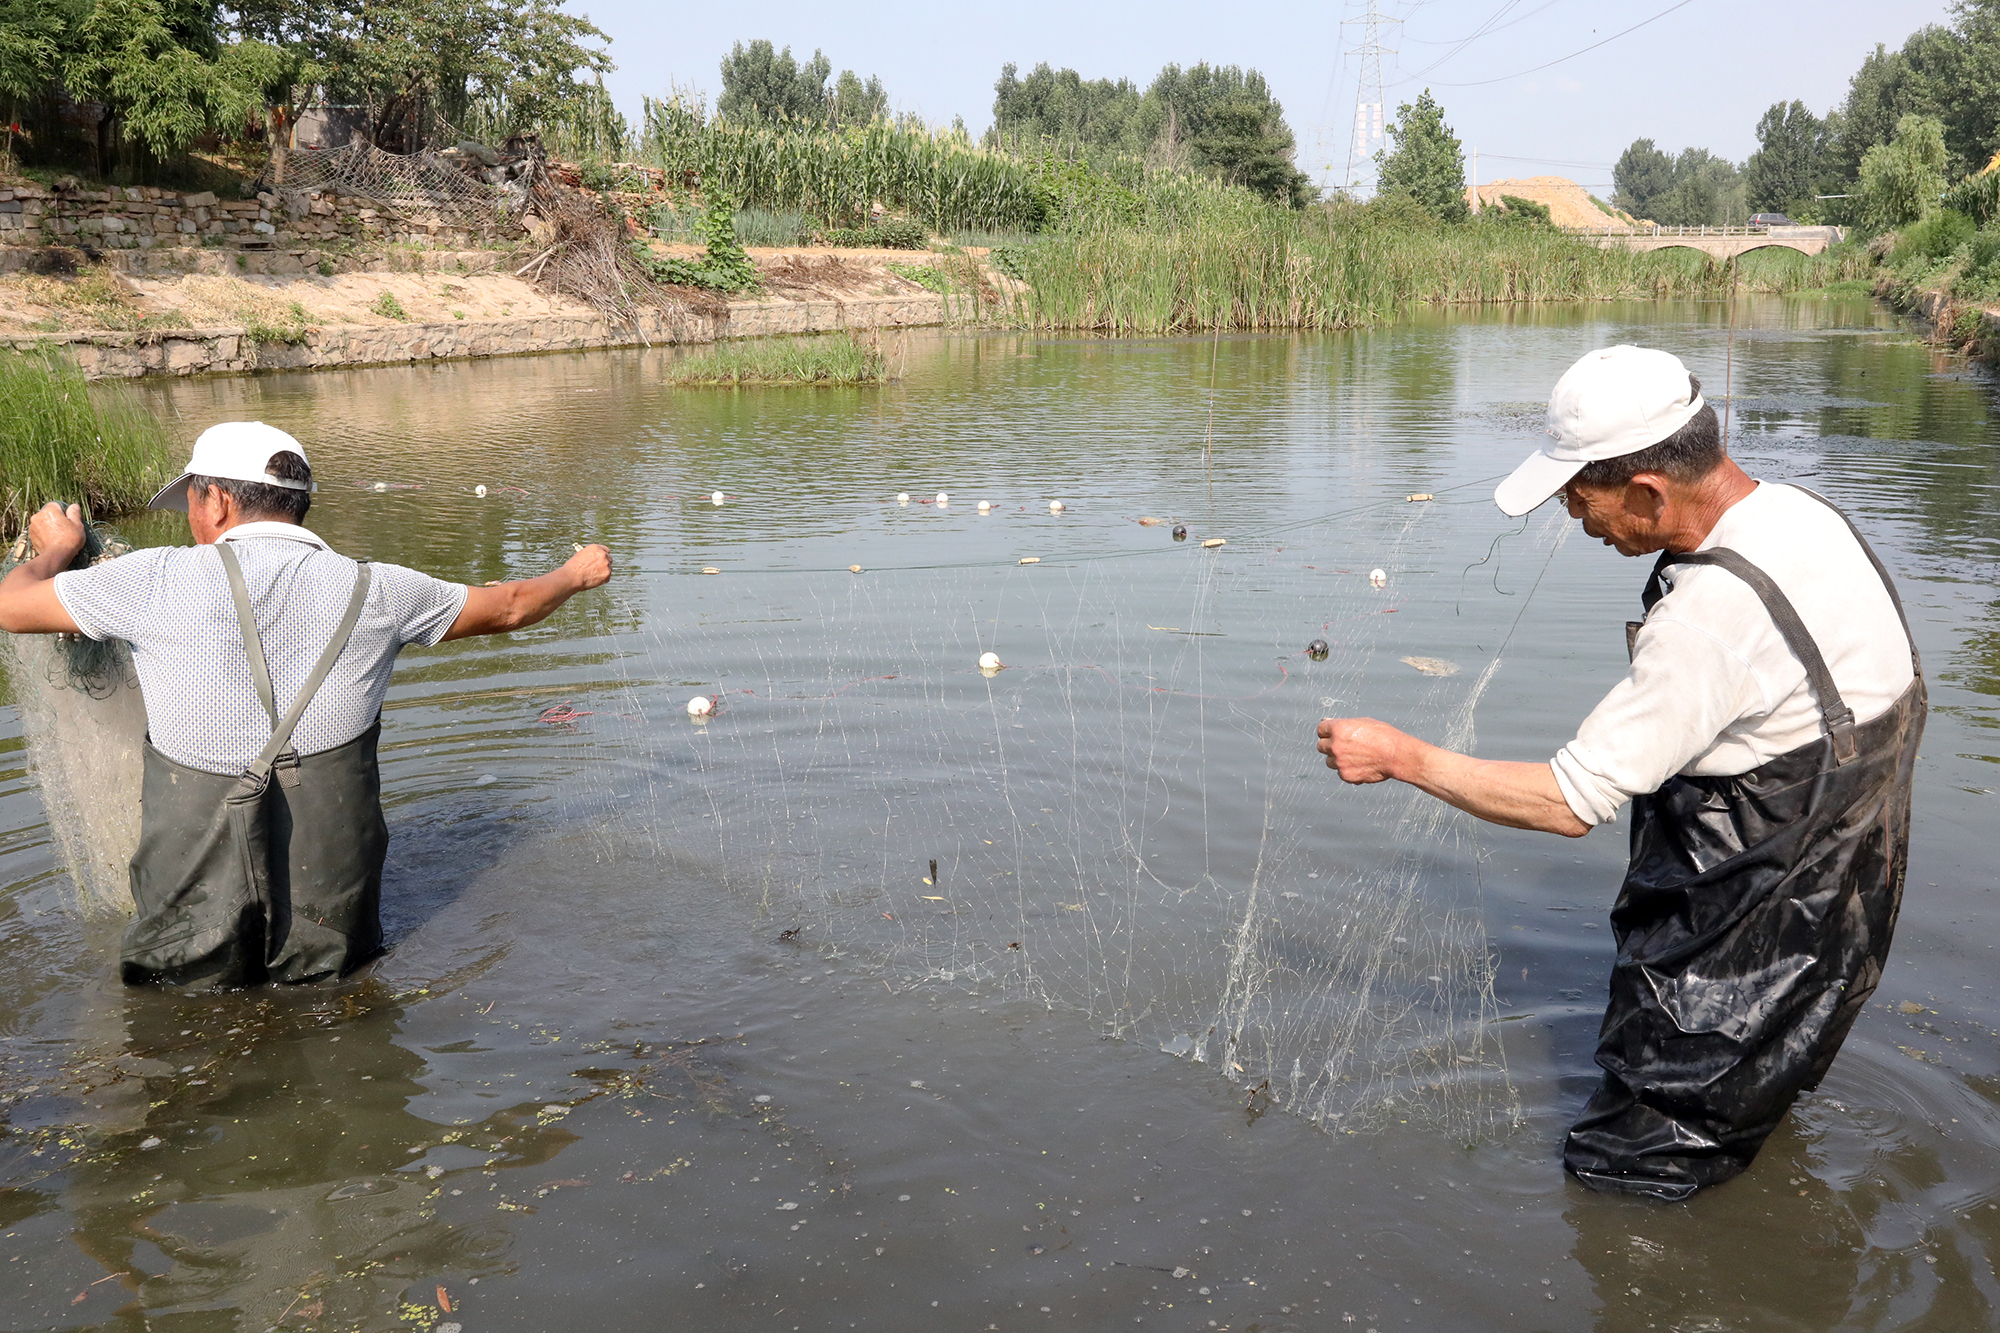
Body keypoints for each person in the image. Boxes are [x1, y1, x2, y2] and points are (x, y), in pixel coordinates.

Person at [1315, 345, 1924, 1200]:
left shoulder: (1709, 620)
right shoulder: (1802, 517)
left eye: (1579, 495)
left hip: (1740, 963)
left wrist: (1399, 757)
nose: (1574, 515)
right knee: (1741, 1122)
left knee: (1625, 1177)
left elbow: (1567, 802)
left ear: (1647, 491)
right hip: (1844, 926)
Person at [0, 421, 612, 987]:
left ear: (215, 500)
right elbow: (508, 607)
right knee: (335, 995)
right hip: (333, 904)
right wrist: (574, 574)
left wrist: (57, 547)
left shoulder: (148, 578)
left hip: (190, 889)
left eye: (189, 500)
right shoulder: (381, 589)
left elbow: (9, 606)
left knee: (178, 1002)